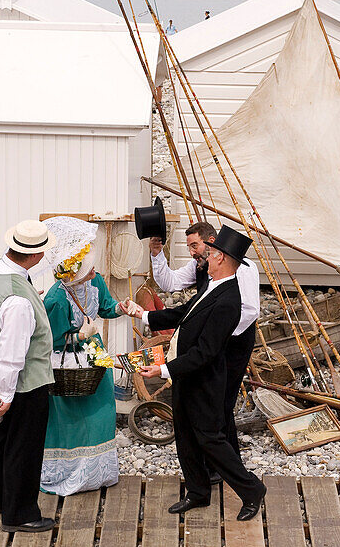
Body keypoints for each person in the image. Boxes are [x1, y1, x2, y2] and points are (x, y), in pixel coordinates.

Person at [130, 227, 266, 521]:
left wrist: (163, 369)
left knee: (209, 437)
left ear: (221, 259)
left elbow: (207, 351)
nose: (204, 258)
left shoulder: (230, 300)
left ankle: (251, 489)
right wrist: (141, 314)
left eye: (211, 254)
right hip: (186, 372)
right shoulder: (211, 286)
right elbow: (182, 313)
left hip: (203, 376)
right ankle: (197, 492)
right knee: (185, 433)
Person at [148, 221, 260, 462]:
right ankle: (214, 463)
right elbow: (170, 283)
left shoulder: (245, 268)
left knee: (223, 402)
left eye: (195, 246)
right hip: (211, 344)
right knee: (210, 402)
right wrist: (157, 255)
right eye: (189, 247)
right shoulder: (200, 266)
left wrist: (217, 335)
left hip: (235, 342)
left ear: (211, 242)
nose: (192, 252)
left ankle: (227, 463)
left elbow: (250, 310)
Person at [0, 219, 58, 532]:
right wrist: (6, 397)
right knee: (24, 445)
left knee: (2, 437)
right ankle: (20, 513)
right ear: (35, 256)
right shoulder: (19, 301)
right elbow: (12, 354)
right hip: (23, 383)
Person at [39, 217, 124, 496]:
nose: (94, 270)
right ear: (73, 273)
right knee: (72, 414)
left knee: (102, 409)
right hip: (67, 362)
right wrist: (79, 336)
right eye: (87, 268)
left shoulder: (95, 280)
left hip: (95, 355)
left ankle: (98, 471)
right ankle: (70, 472)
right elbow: (52, 341)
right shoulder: (55, 299)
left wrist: (122, 307)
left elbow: (107, 307)